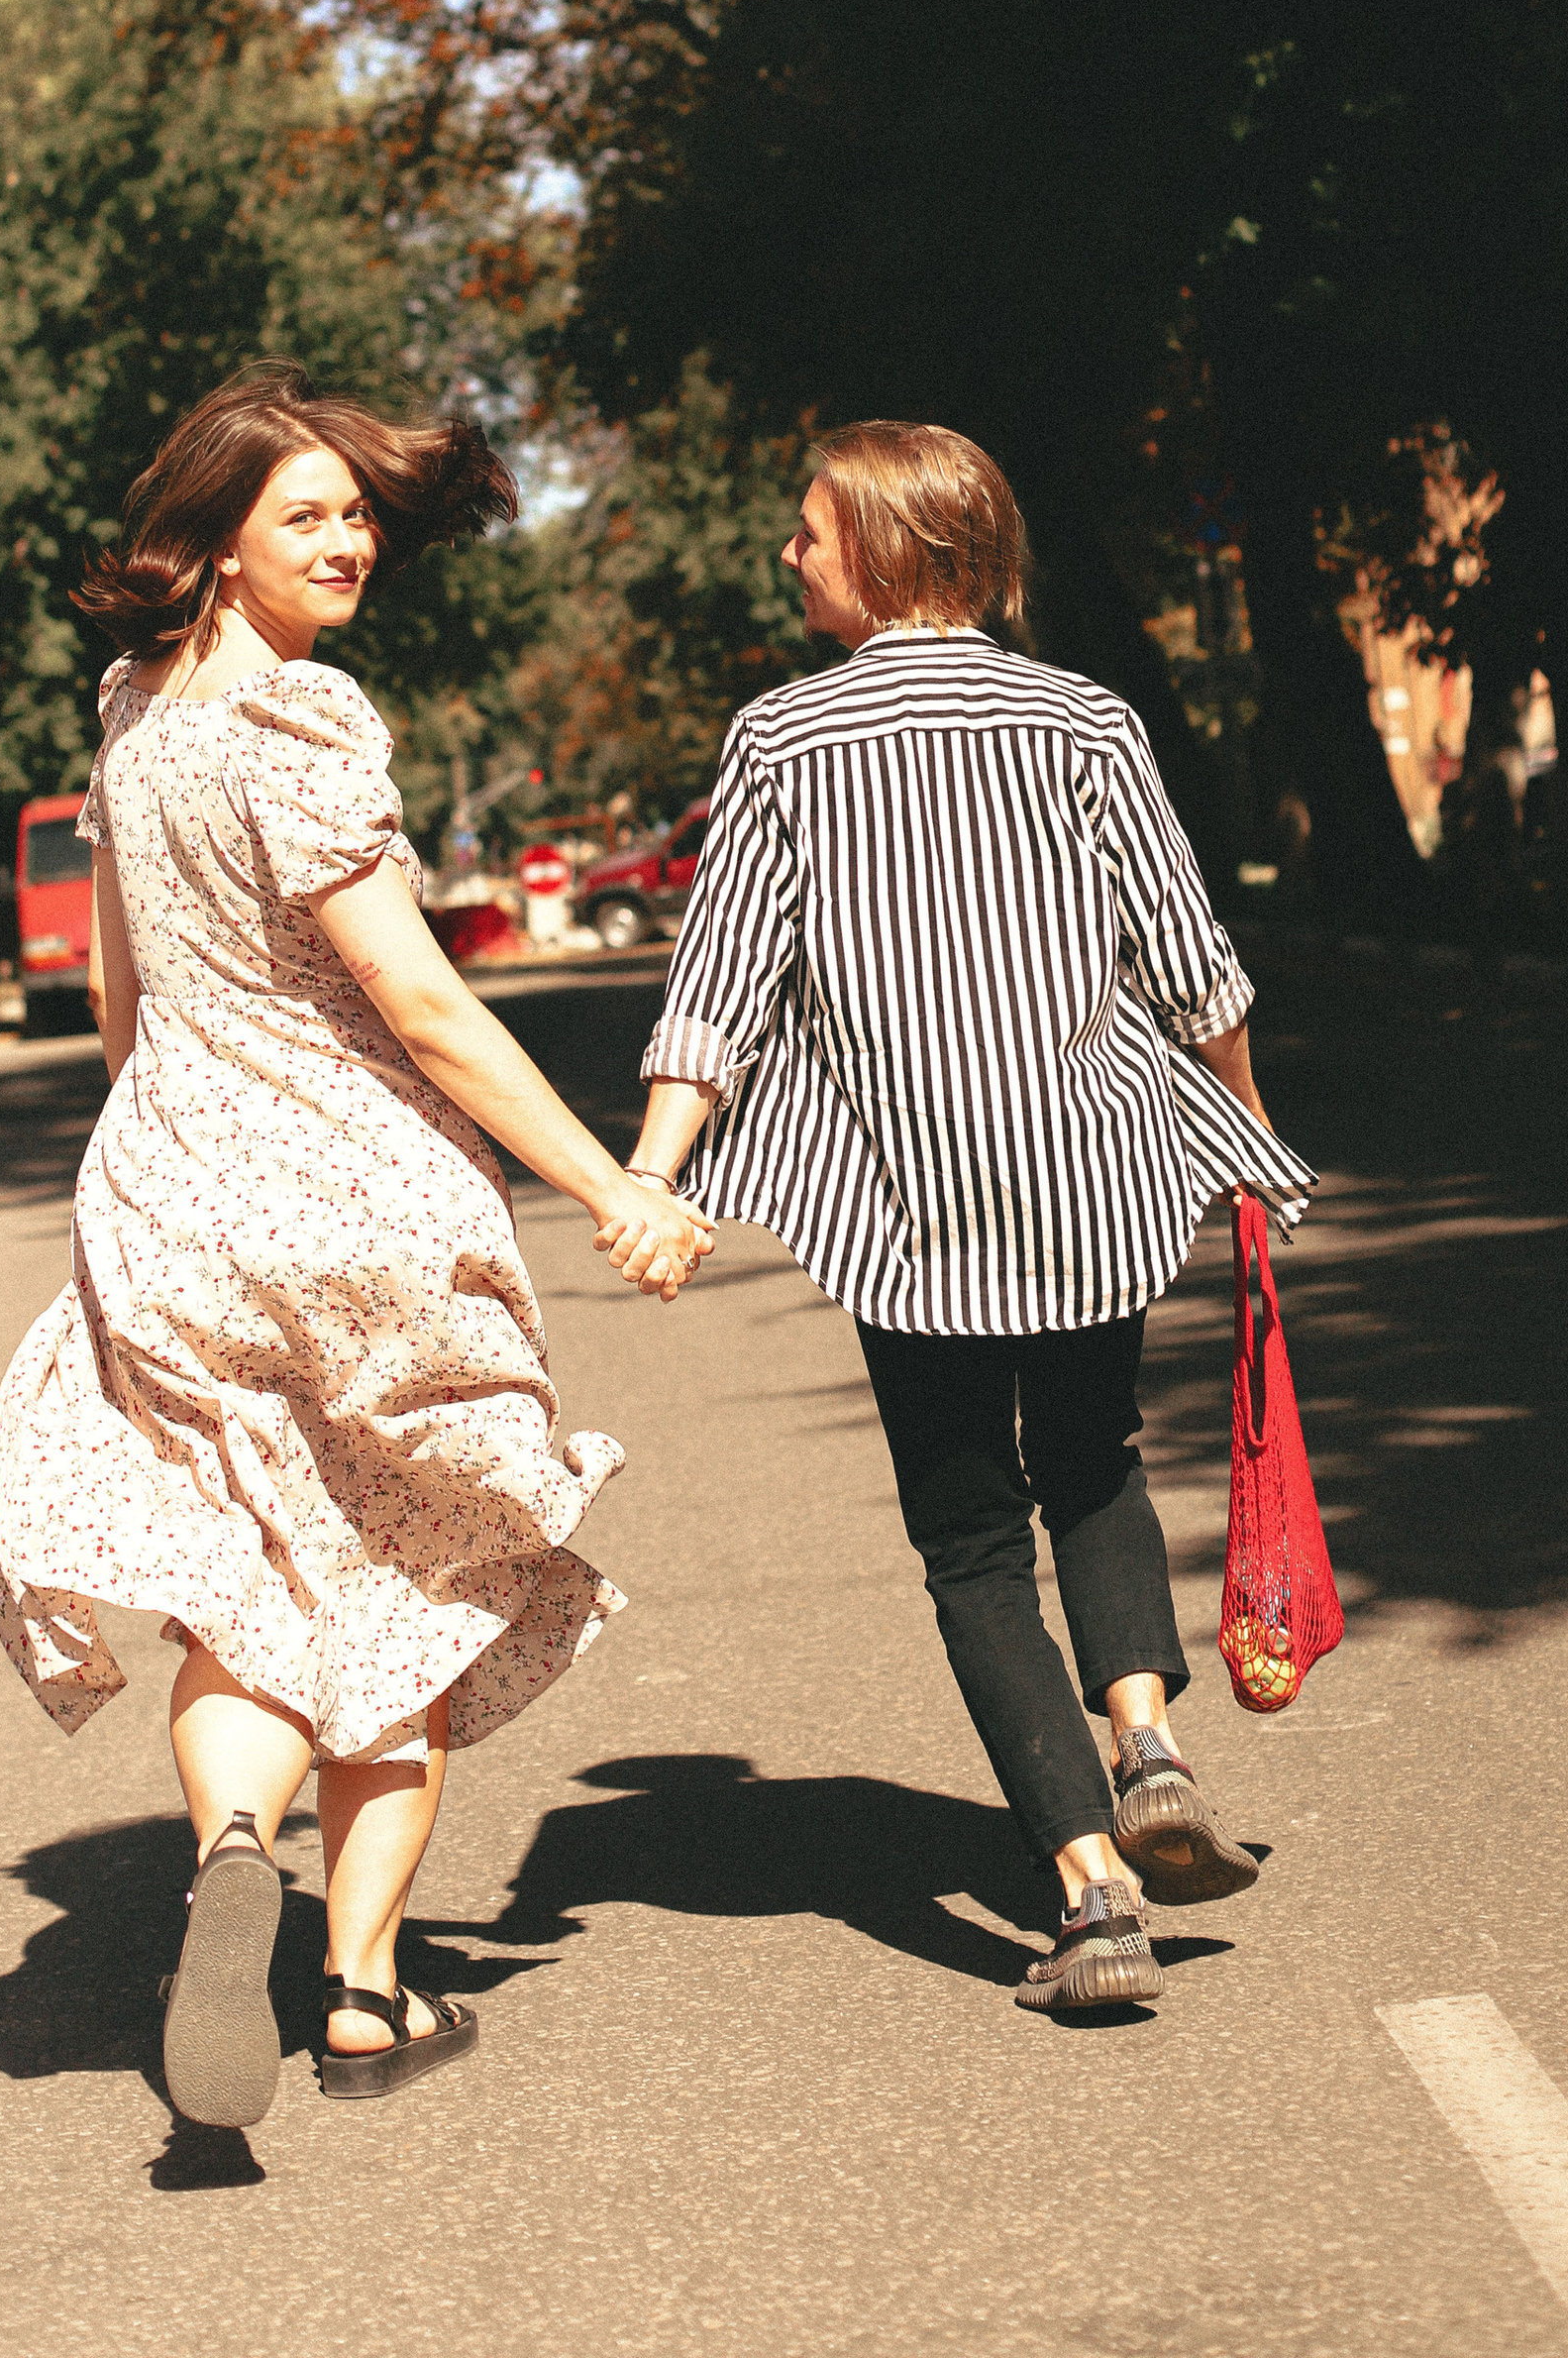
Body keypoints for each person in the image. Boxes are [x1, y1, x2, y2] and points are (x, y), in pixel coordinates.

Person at [0, 364, 710, 2127]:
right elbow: (419, 994)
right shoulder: (304, 727)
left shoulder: (134, 713)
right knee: (418, 1566)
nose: (348, 539)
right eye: (303, 513)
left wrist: (159, 1128)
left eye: (358, 511)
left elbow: (117, 980)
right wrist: (608, 1180)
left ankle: (239, 1842)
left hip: (167, 1192)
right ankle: (367, 1993)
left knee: (247, 1573)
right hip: (359, 1195)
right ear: (219, 546)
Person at [622, 421, 1315, 2018]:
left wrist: (659, 1169)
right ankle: (1144, 1736)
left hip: (908, 1198)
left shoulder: (786, 740)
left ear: (886, 546)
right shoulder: (1085, 718)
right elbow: (1192, 958)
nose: (787, 554)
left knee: (971, 1537)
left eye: (809, 531)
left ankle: (1092, 1900)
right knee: (1095, 1457)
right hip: (1088, 1165)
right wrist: (1252, 1124)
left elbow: (720, 983)